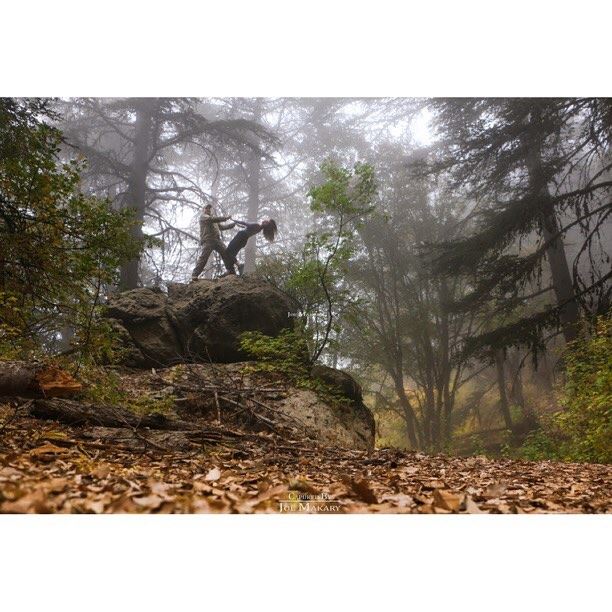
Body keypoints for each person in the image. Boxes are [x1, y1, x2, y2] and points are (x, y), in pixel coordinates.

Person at [191, 203, 235, 280]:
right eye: (206, 208)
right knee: (204, 257)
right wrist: (225, 218)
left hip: (217, 240)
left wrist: (232, 225)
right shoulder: (203, 217)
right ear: (203, 210)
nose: (208, 210)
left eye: (209, 208)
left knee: (226, 253)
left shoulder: (214, 219)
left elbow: (221, 227)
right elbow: (211, 219)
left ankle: (231, 271)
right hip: (208, 240)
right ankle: (194, 275)